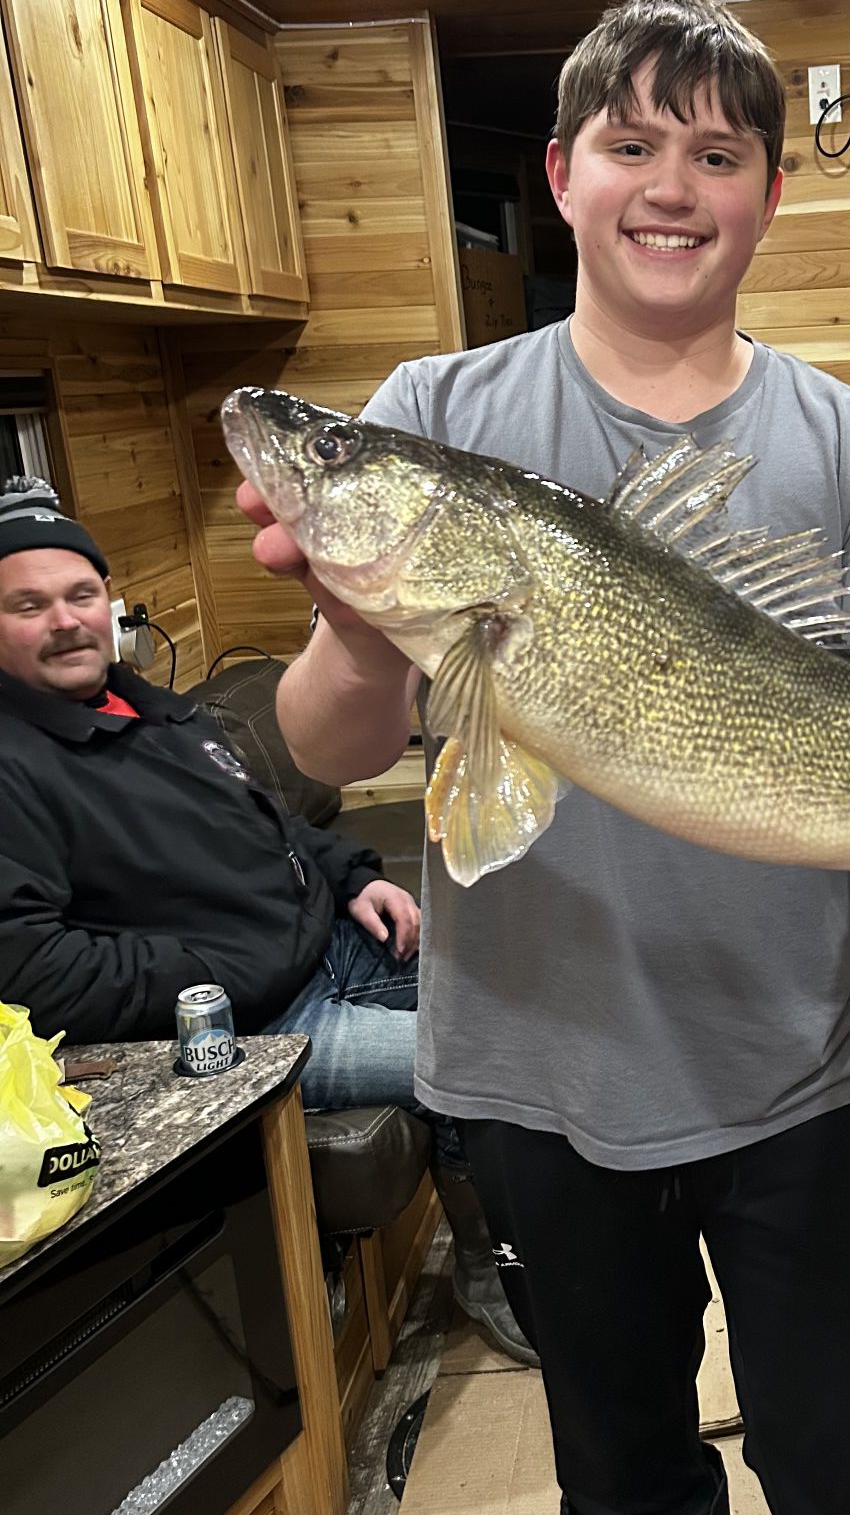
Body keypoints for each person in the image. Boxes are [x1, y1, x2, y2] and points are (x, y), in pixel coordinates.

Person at [243, 0, 850, 1515]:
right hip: (539, 1083)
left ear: (769, 195)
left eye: (717, 153)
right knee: (629, 1500)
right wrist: (358, 618)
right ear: (563, 174)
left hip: (813, 1078)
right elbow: (331, 748)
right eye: (631, 144)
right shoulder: (437, 412)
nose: (672, 183)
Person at [0, 475, 535, 1366]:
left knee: (528, 982)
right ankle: (496, 1270)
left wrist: (351, 876)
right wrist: (219, 970)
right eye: (28, 605)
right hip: (257, 1025)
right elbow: (32, 970)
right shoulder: (13, 768)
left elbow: (265, 822)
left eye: (80, 595)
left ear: (108, 601)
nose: (65, 621)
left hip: (331, 945)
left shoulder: (149, 709)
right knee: (481, 1051)